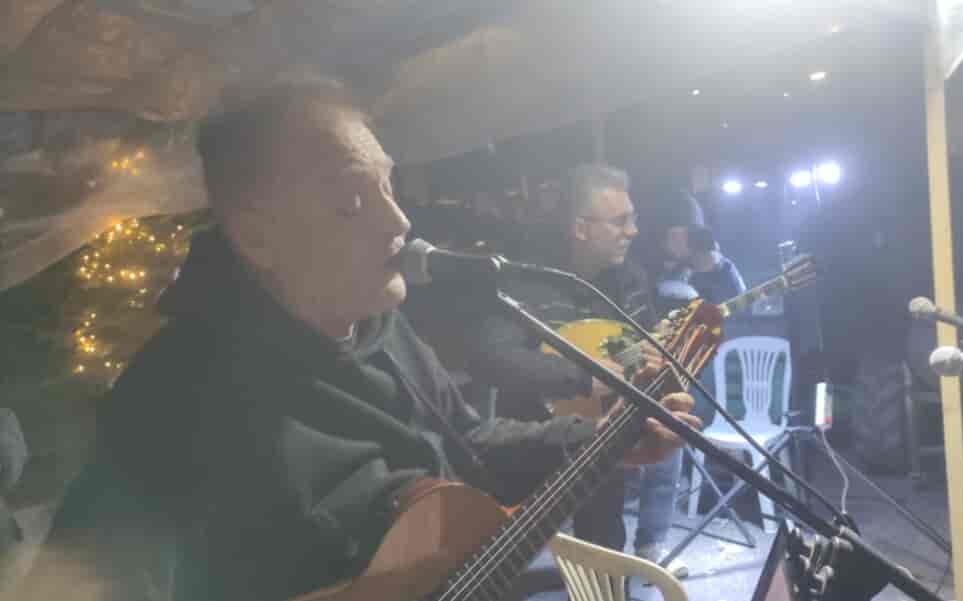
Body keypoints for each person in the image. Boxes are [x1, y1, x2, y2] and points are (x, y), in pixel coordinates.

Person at [18, 74, 699, 601]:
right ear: (256, 235)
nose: (398, 221)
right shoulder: (176, 392)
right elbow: (82, 581)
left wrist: (601, 440)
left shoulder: (384, 330)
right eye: (351, 200)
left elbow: (469, 441)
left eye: (389, 185)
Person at [466, 164, 689, 575]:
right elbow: (491, 357)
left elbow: (642, 346)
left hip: (602, 433)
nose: (633, 231)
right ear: (580, 228)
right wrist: (584, 376)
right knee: (500, 563)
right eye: (620, 221)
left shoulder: (631, 279)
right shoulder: (523, 281)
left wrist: (658, 358)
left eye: (633, 219)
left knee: (605, 550)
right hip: (530, 440)